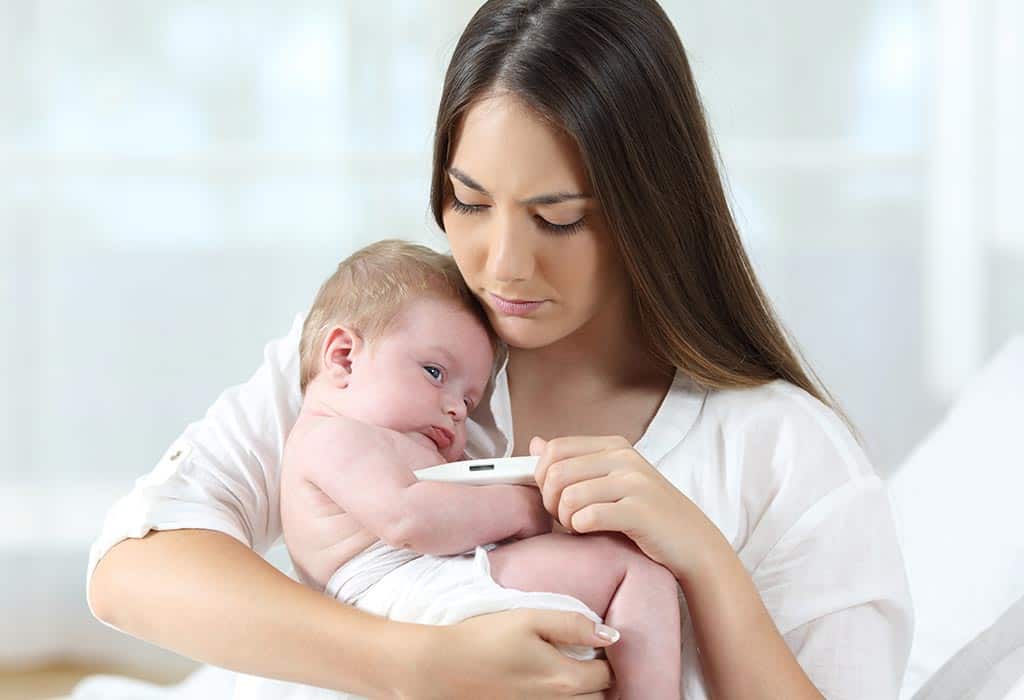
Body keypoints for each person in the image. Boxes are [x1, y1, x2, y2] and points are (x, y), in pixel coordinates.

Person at [86, 1, 913, 698]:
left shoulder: (782, 450)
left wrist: (700, 555)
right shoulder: (392, 357)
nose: (503, 266)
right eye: (470, 202)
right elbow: (131, 570)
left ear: (652, 209)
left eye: (559, 218)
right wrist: (420, 664)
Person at [233, 239, 681, 698]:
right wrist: (525, 508)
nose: (456, 410)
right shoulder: (332, 436)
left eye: (470, 400)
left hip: (433, 584)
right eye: (434, 372)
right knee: (633, 573)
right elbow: (409, 519)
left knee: (634, 573)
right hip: (400, 594)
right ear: (343, 357)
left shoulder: (392, 438)